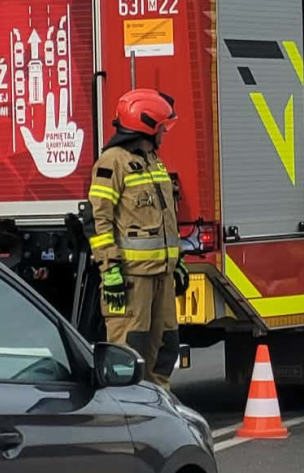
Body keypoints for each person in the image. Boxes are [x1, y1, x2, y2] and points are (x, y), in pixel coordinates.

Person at [84, 89, 186, 388]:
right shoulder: (112, 162)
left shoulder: (152, 161)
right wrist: (110, 270)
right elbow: (97, 220)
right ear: (146, 127)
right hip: (131, 278)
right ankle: (126, 406)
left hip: (161, 275)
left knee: (166, 347)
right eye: (162, 127)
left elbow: (164, 217)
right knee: (129, 351)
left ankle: (158, 404)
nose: (164, 133)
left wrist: (177, 260)